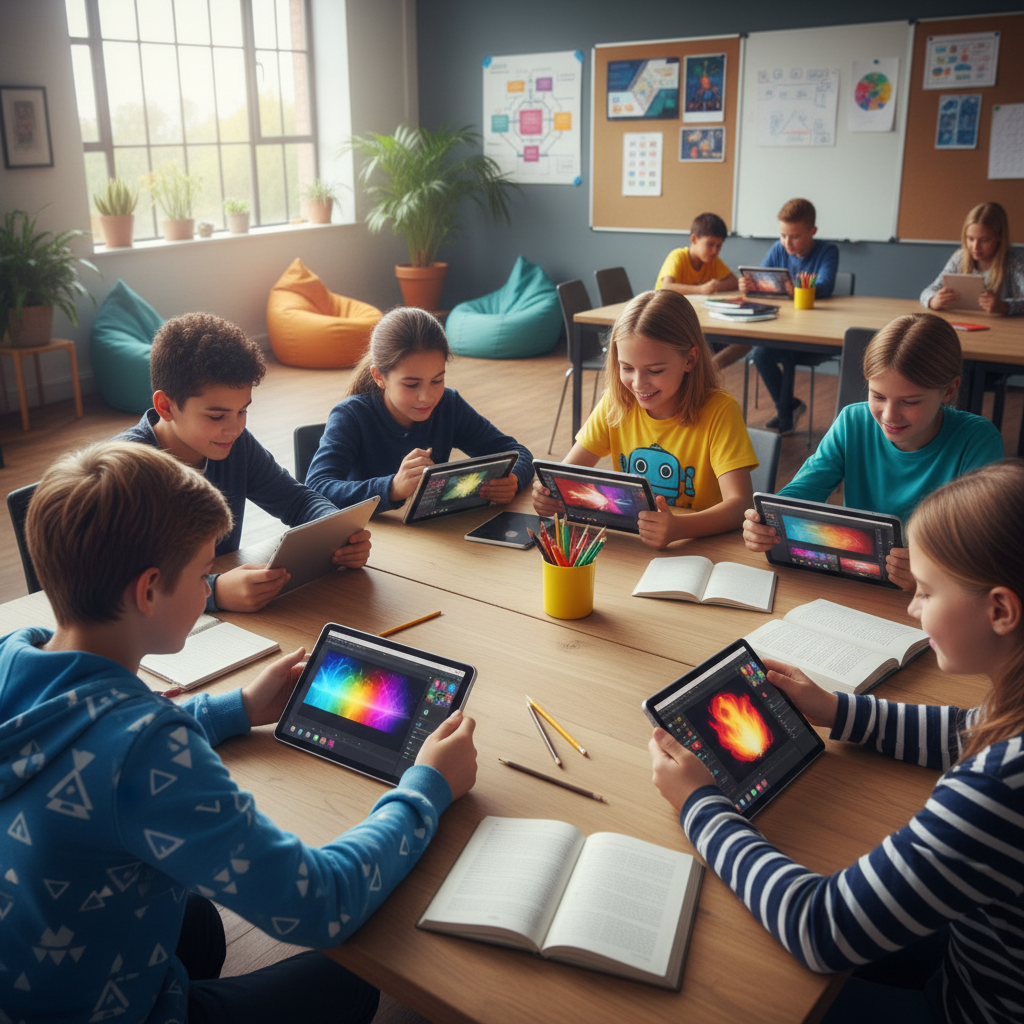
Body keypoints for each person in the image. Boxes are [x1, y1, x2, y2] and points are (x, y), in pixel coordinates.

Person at [0, 441, 478, 1023]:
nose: (210, 589)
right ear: (148, 590)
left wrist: (237, 707)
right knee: (348, 978)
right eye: (205, 574)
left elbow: (90, 735)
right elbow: (322, 903)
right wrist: (427, 785)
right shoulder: (147, 750)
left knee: (197, 922)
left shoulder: (13, 655)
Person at [649, 458, 1024, 1024]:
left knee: (737, 991)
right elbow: (966, 731)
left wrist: (701, 806)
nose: (913, 608)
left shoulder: (999, 786)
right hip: (982, 951)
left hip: (970, 1007)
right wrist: (836, 709)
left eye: (924, 591)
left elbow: (819, 927)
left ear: (1000, 609)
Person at [116, 312, 371, 613]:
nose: (235, 428)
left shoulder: (233, 444)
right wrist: (213, 592)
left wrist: (338, 534)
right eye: (217, 416)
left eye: (243, 411)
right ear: (165, 406)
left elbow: (296, 501)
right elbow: (117, 582)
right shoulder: (121, 473)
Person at [741, 312, 1004, 589]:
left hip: (936, 597)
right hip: (859, 584)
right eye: (878, 396)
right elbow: (801, 492)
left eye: (909, 401)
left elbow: (985, 548)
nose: (889, 415)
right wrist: (767, 524)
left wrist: (935, 570)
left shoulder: (978, 441)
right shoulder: (852, 421)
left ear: (949, 390)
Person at [532, 289, 757, 549]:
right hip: (636, 547)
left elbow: (740, 504)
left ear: (690, 359)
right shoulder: (615, 404)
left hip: (700, 548)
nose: (638, 384)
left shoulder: (719, 410)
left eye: (655, 370)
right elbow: (564, 476)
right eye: (626, 368)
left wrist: (679, 527)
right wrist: (549, 494)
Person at [306, 306, 533, 514]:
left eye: (437, 380)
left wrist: (514, 478)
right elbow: (317, 488)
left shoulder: (448, 405)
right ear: (379, 377)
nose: (427, 397)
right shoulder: (351, 416)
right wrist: (392, 488)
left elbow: (514, 450)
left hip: (431, 537)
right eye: (411, 384)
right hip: (367, 541)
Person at [743, 198, 840, 434]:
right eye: (783, 235)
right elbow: (762, 279)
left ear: (812, 231)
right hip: (783, 327)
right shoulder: (778, 249)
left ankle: (786, 413)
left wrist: (780, 286)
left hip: (814, 334)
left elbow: (825, 286)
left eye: (794, 236)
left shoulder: (828, 251)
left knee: (784, 352)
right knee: (761, 354)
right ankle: (788, 407)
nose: (787, 242)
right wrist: (751, 283)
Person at [920, 201, 1024, 316]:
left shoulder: (1013, 263)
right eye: (970, 239)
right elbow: (927, 291)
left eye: (984, 240)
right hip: (964, 322)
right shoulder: (960, 257)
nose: (975, 247)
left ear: (999, 237)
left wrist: (1005, 306)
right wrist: (932, 300)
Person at [654, 211, 738, 297]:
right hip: (665, 308)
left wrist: (717, 286)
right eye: (710, 244)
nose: (715, 251)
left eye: (719, 246)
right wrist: (701, 290)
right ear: (694, 239)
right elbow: (666, 287)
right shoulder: (677, 256)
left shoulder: (712, 260)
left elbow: (734, 282)